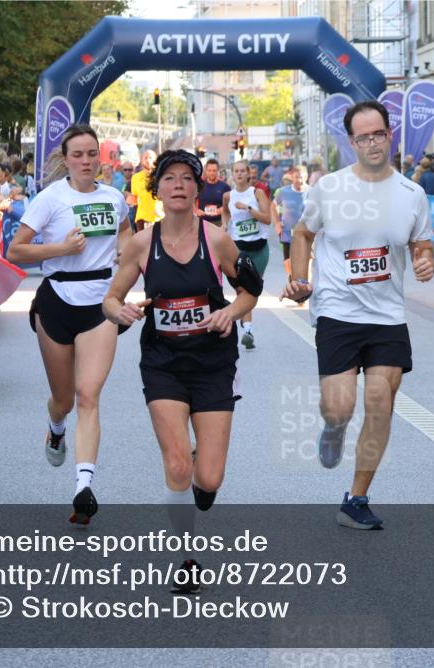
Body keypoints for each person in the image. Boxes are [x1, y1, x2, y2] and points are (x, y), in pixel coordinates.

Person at [102, 150, 259, 591]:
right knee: (176, 465)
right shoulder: (140, 243)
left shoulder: (217, 241)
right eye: (168, 179)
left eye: (185, 179)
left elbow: (250, 292)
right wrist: (123, 312)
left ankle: (198, 477)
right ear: (157, 190)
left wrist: (231, 311)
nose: (177, 185)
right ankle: (185, 557)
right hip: (163, 363)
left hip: (213, 363)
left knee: (208, 478)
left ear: (196, 188)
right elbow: (110, 299)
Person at [282, 100, 434, 530]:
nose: (372, 142)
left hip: (387, 316)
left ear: (390, 136)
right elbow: (302, 233)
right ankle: (333, 427)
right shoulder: (329, 188)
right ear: (351, 142)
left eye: (378, 134)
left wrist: (425, 262)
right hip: (337, 311)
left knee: (381, 403)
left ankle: (357, 497)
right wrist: (298, 277)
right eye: (363, 136)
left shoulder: (411, 194)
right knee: (339, 406)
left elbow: (423, 244)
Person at [6, 124, 132, 525]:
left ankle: (83, 487)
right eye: (78, 155)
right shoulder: (50, 199)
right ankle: (55, 426)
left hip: (101, 303)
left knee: (88, 395)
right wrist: (62, 248)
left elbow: (127, 238)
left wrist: (126, 257)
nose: (86, 161)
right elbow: (16, 250)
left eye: (92, 154)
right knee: (63, 399)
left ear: (100, 157)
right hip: (57, 299)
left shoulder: (114, 199)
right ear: (66, 159)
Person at [222, 160, 271, 350]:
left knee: (252, 288)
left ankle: (246, 328)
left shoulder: (257, 193)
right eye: (237, 171)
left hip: (259, 249)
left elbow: (267, 219)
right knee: (243, 289)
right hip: (239, 249)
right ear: (232, 174)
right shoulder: (228, 196)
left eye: (243, 171)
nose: (240, 174)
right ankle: (247, 330)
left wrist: (249, 209)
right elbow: (225, 212)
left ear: (248, 174)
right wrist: (225, 224)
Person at [272, 164, 308, 278]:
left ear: (306, 177)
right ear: (292, 177)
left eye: (302, 177)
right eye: (297, 177)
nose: (299, 180)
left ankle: (303, 288)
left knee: (304, 265)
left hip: (305, 235)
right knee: (289, 266)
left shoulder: (312, 192)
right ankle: (293, 282)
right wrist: (277, 223)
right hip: (288, 235)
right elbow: (272, 206)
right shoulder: (283, 192)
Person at [195, 159, 230, 227]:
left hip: (219, 222)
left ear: (218, 171)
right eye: (209, 170)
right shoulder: (199, 186)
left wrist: (223, 209)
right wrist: (196, 210)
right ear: (206, 171)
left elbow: (231, 203)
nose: (212, 173)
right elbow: (190, 201)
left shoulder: (225, 187)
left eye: (214, 171)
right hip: (202, 222)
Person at [130, 149, 160, 230]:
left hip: (159, 218)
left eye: (150, 157)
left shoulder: (161, 176)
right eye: (145, 157)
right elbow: (134, 201)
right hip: (142, 220)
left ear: (155, 160)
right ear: (141, 160)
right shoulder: (135, 177)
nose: (148, 160)